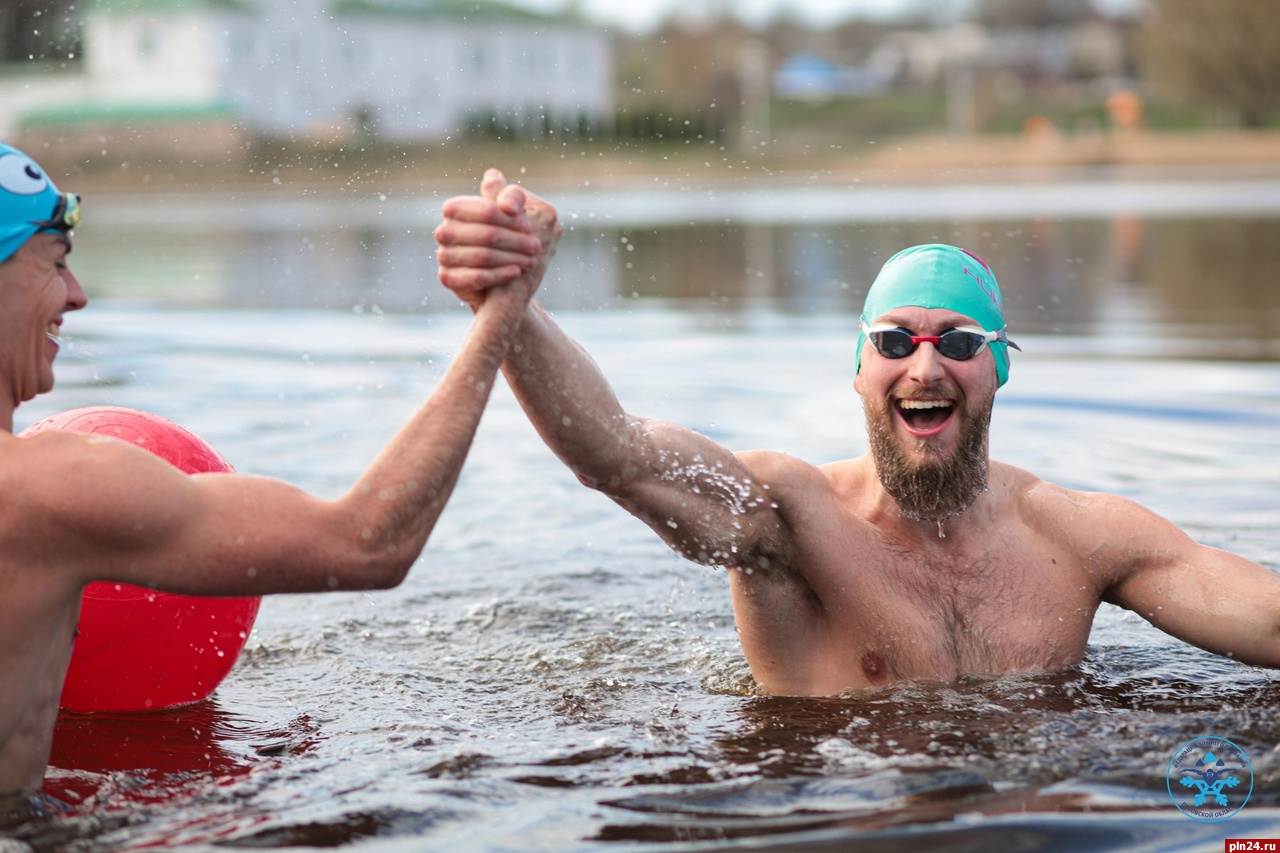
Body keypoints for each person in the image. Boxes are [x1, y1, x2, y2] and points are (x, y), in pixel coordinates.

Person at [434, 168, 1280, 697]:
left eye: (956, 341)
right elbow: (614, 453)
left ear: (999, 369)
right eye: (893, 342)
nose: (924, 367)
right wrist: (514, 301)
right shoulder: (787, 517)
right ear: (861, 367)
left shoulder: (1083, 537)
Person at [0, 144, 547, 795]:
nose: (77, 294)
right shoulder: (43, 490)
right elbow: (371, 542)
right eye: (57, 263)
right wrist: (501, 312)